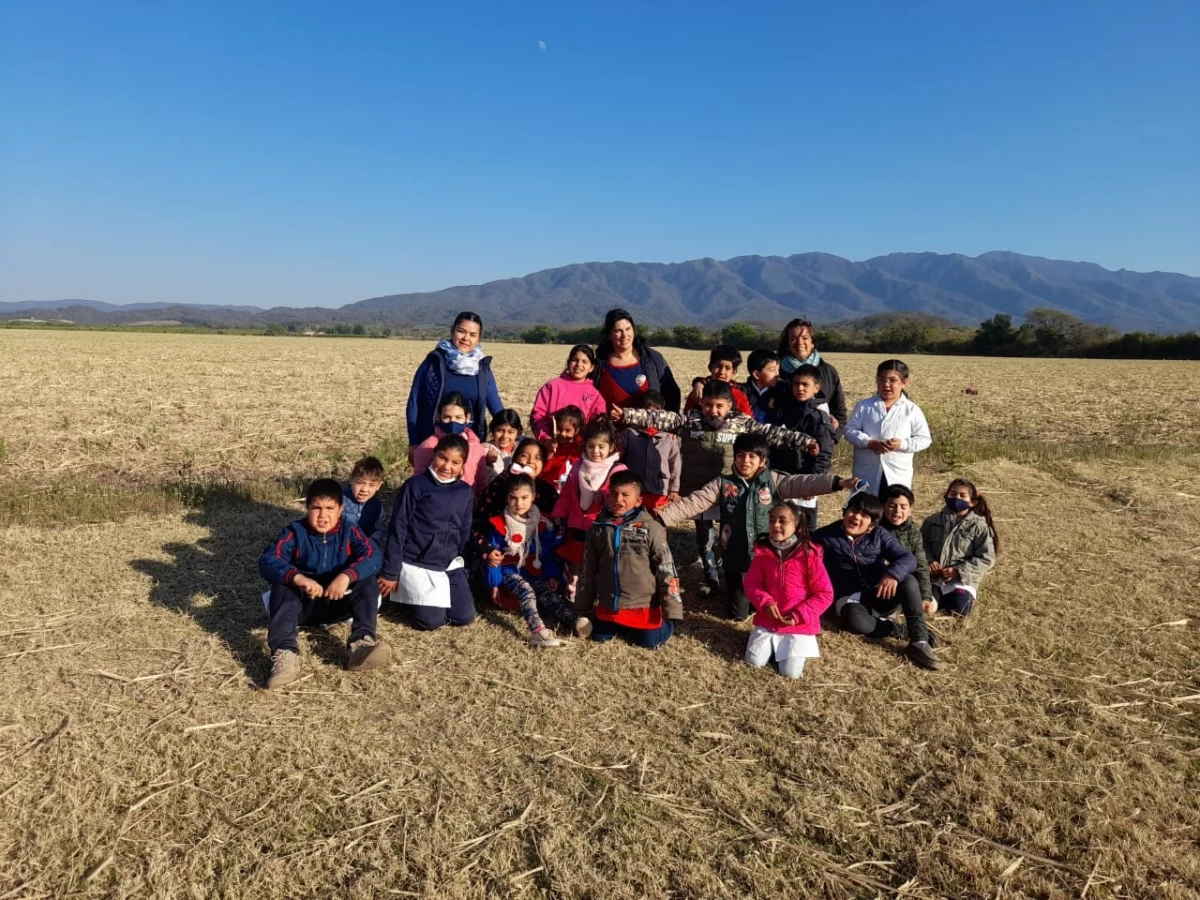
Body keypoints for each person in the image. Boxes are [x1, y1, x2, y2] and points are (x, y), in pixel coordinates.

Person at [613, 380, 818, 598]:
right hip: (698, 491)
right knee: (705, 537)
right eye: (708, 405)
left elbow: (772, 433)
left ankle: (738, 577)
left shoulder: (742, 424)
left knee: (730, 537)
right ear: (701, 404)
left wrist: (804, 442)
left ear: (730, 405)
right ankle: (710, 576)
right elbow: (660, 417)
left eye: (719, 406)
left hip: (729, 491)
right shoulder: (690, 421)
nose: (714, 410)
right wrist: (626, 415)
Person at [657, 433, 856, 620]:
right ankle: (739, 590)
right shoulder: (723, 484)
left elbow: (804, 482)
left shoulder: (774, 481)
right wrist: (660, 518)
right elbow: (693, 502)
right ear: (734, 458)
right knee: (738, 615)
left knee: (770, 605)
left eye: (752, 456)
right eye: (741, 455)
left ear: (763, 461)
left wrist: (838, 482)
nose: (746, 460)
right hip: (735, 558)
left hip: (767, 560)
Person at [258, 478, 391, 689]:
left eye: (330, 508)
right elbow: (268, 560)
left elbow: (373, 555)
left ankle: (361, 645)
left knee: (366, 579)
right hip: (302, 606)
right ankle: (285, 655)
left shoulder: (351, 531)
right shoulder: (294, 532)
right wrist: (298, 578)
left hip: (338, 602)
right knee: (282, 585)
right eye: (316, 508)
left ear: (340, 509)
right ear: (307, 508)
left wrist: (346, 576)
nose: (323, 515)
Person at [812, 491, 941, 670]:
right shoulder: (823, 536)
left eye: (864, 516)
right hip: (849, 598)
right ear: (844, 511)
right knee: (855, 621)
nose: (856, 517)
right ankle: (901, 630)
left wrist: (892, 574)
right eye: (853, 510)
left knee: (908, 580)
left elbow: (908, 558)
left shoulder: (879, 534)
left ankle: (919, 641)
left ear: (872, 525)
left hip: (880, 592)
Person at [378, 434, 476, 631]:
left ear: (463, 465)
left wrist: (464, 566)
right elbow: (398, 528)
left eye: (455, 462)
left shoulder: (465, 491)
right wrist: (391, 571)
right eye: (443, 458)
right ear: (434, 455)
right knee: (431, 622)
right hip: (417, 563)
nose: (447, 467)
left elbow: (465, 529)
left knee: (464, 616)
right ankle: (405, 600)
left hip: (448, 564)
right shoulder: (415, 485)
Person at [575, 471, 683, 649]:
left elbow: (666, 569)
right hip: (609, 605)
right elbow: (588, 569)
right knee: (599, 638)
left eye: (625, 495)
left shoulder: (652, 529)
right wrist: (582, 606)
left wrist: (673, 611)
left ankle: (667, 625)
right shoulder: (598, 529)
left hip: (642, 606)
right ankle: (617, 625)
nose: (618, 499)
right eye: (613, 494)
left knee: (650, 643)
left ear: (639, 500)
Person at [742, 501, 834, 679]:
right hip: (769, 621)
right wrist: (765, 602)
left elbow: (824, 593)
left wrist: (799, 615)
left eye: (782, 521)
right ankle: (772, 650)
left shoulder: (809, 555)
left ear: (797, 526)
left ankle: (785, 652)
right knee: (753, 663)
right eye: (772, 520)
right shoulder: (763, 553)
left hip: (798, 624)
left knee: (790, 673)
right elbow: (752, 584)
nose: (775, 525)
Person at [483, 475, 578, 647]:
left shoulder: (542, 522)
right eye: (513, 498)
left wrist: (551, 575)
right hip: (509, 571)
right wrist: (494, 583)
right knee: (526, 591)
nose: (519, 503)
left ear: (533, 496)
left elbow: (547, 553)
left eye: (524, 497)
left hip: (535, 571)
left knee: (548, 595)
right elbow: (494, 558)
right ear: (506, 498)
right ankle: (537, 631)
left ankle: (576, 621)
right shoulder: (500, 523)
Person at [550, 415, 627, 598]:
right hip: (577, 522)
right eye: (591, 446)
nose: (596, 451)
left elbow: (622, 497)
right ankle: (574, 589)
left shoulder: (617, 470)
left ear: (611, 447)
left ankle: (596, 592)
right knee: (576, 557)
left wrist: (606, 498)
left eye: (601, 447)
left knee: (597, 559)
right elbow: (568, 493)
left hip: (600, 524)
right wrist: (559, 512)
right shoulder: (578, 467)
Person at [406, 311, 504, 447]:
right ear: (453, 331)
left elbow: (497, 408)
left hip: (471, 446)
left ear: (478, 338)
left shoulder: (482, 369)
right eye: (461, 331)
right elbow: (414, 403)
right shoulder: (433, 363)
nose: (466, 338)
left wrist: (513, 433)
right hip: (432, 444)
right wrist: (414, 442)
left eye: (473, 335)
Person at [845, 359, 932, 496]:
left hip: (897, 472)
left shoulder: (911, 410)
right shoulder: (864, 406)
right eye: (882, 380)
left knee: (893, 509)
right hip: (867, 470)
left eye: (892, 380)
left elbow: (924, 439)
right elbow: (850, 430)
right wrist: (868, 442)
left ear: (904, 383)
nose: (886, 385)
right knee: (866, 510)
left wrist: (901, 444)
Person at [768, 364, 836, 531]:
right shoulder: (783, 411)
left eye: (805, 384)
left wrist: (814, 481)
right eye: (796, 383)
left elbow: (824, 452)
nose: (800, 388)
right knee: (781, 522)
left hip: (805, 477)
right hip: (781, 475)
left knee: (805, 525)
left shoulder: (818, 416)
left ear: (816, 388)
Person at [921, 478, 999, 616]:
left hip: (962, 580)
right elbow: (921, 545)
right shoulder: (932, 521)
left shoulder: (979, 527)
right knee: (927, 608)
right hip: (935, 579)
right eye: (953, 494)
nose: (957, 498)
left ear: (973, 502)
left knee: (959, 611)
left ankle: (962, 598)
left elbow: (987, 558)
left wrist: (959, 570)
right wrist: (930, 561)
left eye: (963, 496)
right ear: (946, 496)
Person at [593, 308, 681, 412]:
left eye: (628, 329)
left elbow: (672, 393)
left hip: (650, 426)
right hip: (612, 427)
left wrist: (668, 423)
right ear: (609, 334)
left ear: (633, 329)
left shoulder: (652, 358)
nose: (624, 335)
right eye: (618, 331)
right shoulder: (599, 364)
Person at [775, 317, 847, 438]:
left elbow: (839, 411)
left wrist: (833, 435)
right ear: (787, 344)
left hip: (820, 443)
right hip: (784, 443)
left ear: (812, 342)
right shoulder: (777, 371)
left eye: (805, 338)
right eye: (793, 338)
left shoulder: (828, 372)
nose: (799, 342)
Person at [410, 392, 491, 497]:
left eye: (458, 418)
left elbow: (481, 481)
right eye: (447, 417)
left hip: (468, 504)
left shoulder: (476, 447)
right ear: (439, 417)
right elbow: (419, 484)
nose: (452, 422)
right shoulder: (427, 447)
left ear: (467, 417)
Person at [619, 390, 681, 512]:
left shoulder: (669, 437)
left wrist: (674, 488)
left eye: (655, 412)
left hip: (659, 489)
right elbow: (618, 456)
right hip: (634, 487)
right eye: (646, 412)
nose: (650, 417)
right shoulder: (628, 434)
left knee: (655, 523)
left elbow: (675, 464)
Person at [530, 345, 607, 440]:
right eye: (575, 360)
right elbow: (537, 416)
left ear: (591, 367)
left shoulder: (595, 395)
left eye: (584, 362)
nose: (579, 364)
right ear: (568, 363)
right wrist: (546, 438)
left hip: (580, 451)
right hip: (551, 447)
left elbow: (598, 425)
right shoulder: (552, 386)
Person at [880, 485, 936, 614]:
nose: (897, 511)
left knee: (931, 606)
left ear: (910, 510)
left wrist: (925, 596)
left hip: (907, 581)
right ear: (883, 506)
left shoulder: (913, 531)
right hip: (884, 582)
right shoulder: (875, 529)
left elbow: (921, 564)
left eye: (903, 507)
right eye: (892, 506)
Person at [684, 345, 753, 415]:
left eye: (727, 368)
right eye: (718, 366)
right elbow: (687, 417)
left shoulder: (738, 395)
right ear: (710, 367)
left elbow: (747, 420)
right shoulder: (699, 391)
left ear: (734, 372)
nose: (722, 372)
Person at [540, 405, 584, 491]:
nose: (563, 434)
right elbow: (543, 469)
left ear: (577, 430)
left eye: (568, 430)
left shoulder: (580, 448)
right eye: (559, 429)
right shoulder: (550, 446)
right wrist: (550, 452)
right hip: (549, 489)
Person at [342, 456, 385, 540]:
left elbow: (380, 528)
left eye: (371, 485)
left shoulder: (377, 506)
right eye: (359, 483)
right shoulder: (339, 500)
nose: (364, 489)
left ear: (379, 486)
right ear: (351, 480)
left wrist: (370, 543)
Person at [482, 409, 524, 484]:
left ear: (518, 433)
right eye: (500, 430)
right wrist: (488, 463)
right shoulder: (484, 450)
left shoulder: (522, 450)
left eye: (510, 432)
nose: (505, 436)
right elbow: (480, 480)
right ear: (493, 430)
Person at [742, 349, 780, 424]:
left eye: (778, 370)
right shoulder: (742, 392)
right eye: (772, 370)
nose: (777, 374)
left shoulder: (781, 392)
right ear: (756, 374)